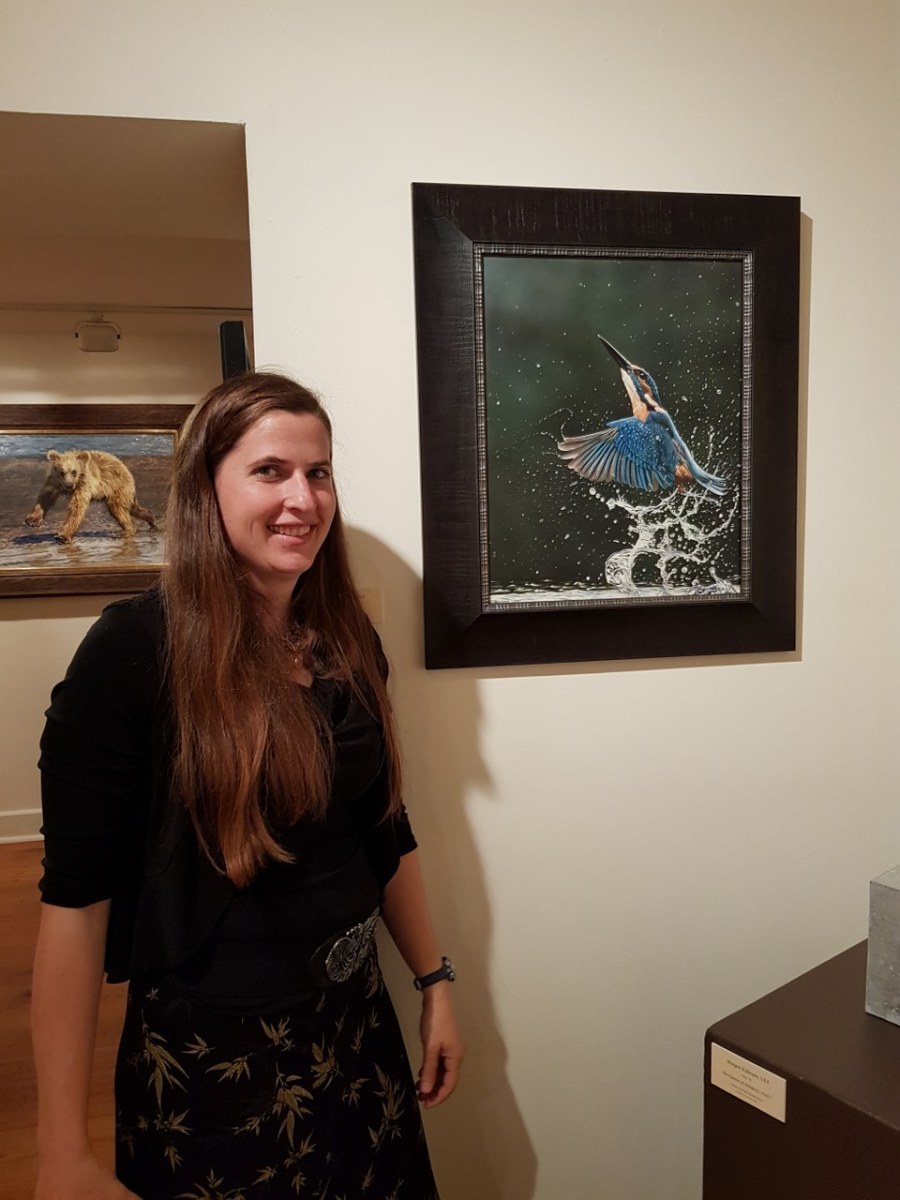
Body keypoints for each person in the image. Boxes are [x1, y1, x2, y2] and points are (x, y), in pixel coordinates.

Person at [31, 371, 463, 1200]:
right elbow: (75, 906)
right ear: (207, 488)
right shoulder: (131, 653)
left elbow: (384, 826)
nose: (303, 498)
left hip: (358, 1028)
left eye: (318, 472)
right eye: (270, 471)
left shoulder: (345, 640)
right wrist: (61, 1153)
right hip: (214, 1059)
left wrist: (433, 982)